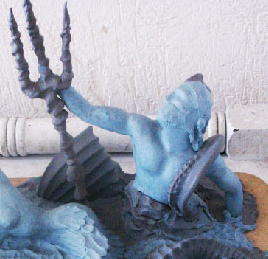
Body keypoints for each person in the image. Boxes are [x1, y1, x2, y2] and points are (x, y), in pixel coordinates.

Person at [59, 75, 243, 218]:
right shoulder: (139, 127)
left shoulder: (202, 159)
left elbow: (234, 188)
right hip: (134, 205)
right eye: (172, 95)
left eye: (178, 102)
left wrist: (234, 219)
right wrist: (63, 89)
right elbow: (90, 112)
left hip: (177, 219)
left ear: (197, 121)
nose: (167, 99)